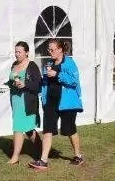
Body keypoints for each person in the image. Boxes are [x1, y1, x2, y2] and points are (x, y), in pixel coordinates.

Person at [29, 39, 84, 170]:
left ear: (60, 50)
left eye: (52, 49)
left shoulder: (69, 63)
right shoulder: (48, 64)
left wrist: (58, 74)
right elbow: (44, 83)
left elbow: (74, 81)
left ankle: (78, 156)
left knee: (69, 130)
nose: (49, 52)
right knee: (47, 130)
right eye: (48, 49)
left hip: (67, 103)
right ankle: (43, 160)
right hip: (50, 102)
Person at [6, 41, 43, 164]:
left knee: (23, 128)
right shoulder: (14, 65)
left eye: (19, 52)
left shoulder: (31, 66)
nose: (17, 54)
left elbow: (38, 85)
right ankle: (41, 150)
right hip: (16, 101)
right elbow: (12, 81)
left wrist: (25, 84)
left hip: (27, 102)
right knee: (24, 129)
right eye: (16, 51)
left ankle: (16, 157)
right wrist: (7, 85)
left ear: (26, 53)